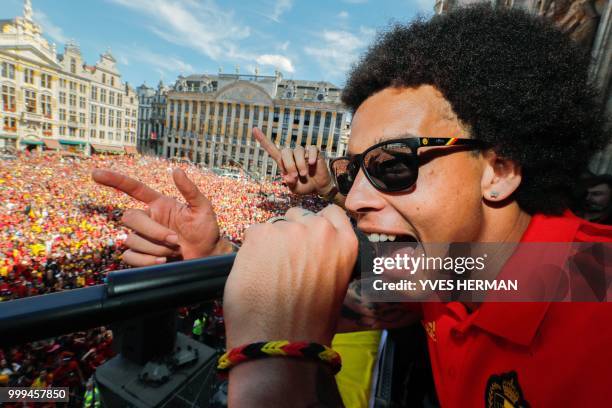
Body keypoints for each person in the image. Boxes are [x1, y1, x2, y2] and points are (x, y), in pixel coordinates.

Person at [93, 5, 612, 407]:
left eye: (393, 165)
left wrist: (278, 371)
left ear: (500, 169)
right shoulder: (461, 270)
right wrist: (217, 252)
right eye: (353, 171)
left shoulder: (598, 306)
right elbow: (328, 297)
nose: (356, 199)